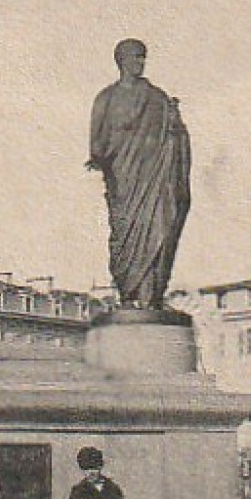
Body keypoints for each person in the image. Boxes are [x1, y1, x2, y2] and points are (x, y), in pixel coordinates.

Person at [87, 38, 191, 310]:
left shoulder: (157, 98)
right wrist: (100, 158)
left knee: (159, 227)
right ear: (120, 61)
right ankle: (129, 292)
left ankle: (152, 294)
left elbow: (175, 134)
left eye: (142, 58)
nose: (139, 63)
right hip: (123, 181)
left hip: (154, 178)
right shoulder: (106, 98)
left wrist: (176, 128)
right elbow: (97, 142)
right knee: (125, 234)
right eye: (134, 57)